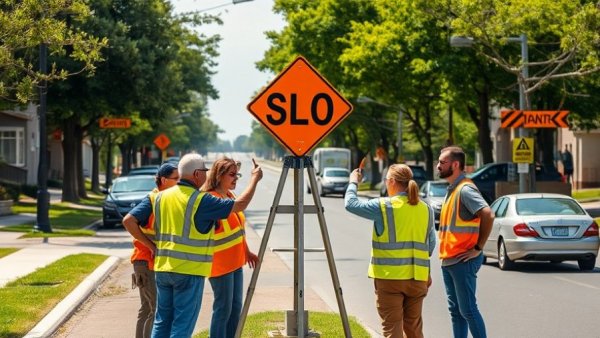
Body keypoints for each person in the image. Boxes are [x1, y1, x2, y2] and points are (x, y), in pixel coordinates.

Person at [123, 153, 262, 338]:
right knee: (182, 325)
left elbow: (129, 220)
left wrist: (151, 247)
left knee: (162, 321)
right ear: (197, 174)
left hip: (163, 269)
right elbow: (240, 204)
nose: (206, 175)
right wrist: (254, 179)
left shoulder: (158, 197)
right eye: (204, 171)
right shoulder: (201, 200)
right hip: (189, 271)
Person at [345, 163, 436, 338]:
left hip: (390, 279)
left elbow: (351, 204)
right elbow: (430, 245)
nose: (385, 184)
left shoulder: (383, 206)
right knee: (414, 329)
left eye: (386, 180)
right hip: (418, 278)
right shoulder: (426, 208)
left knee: (392, 329)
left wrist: (353, 182)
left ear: (392, 181)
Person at [436, 146, 494, 338]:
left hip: (463, 260)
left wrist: (478, 248)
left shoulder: (465, 190)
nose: (438, 166)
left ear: (456, 164)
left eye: (442, 162)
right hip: (450, 259)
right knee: (456, 312)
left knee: (468, 310)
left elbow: (488, 214)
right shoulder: (452, 190)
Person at [201, 157, 259, 338]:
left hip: (235, 262)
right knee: (223, 309)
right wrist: (254, 180)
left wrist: (246, 250)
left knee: (235, 308)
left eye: (237, 175)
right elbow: (242, 205)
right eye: (232, 174)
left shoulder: (229, 195)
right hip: (219, 265)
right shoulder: (211, 198)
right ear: (219, 176)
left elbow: (237, 230)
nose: (235, 179)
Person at [122, 163, 179, 338]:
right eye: (176, 179)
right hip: (146, 262)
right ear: (163, 180)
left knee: (148, 309)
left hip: (149, 261)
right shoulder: (153, 200)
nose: (179, 182)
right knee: (156, 309)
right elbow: (128, 221)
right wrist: (151, 246)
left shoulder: (166, 199)